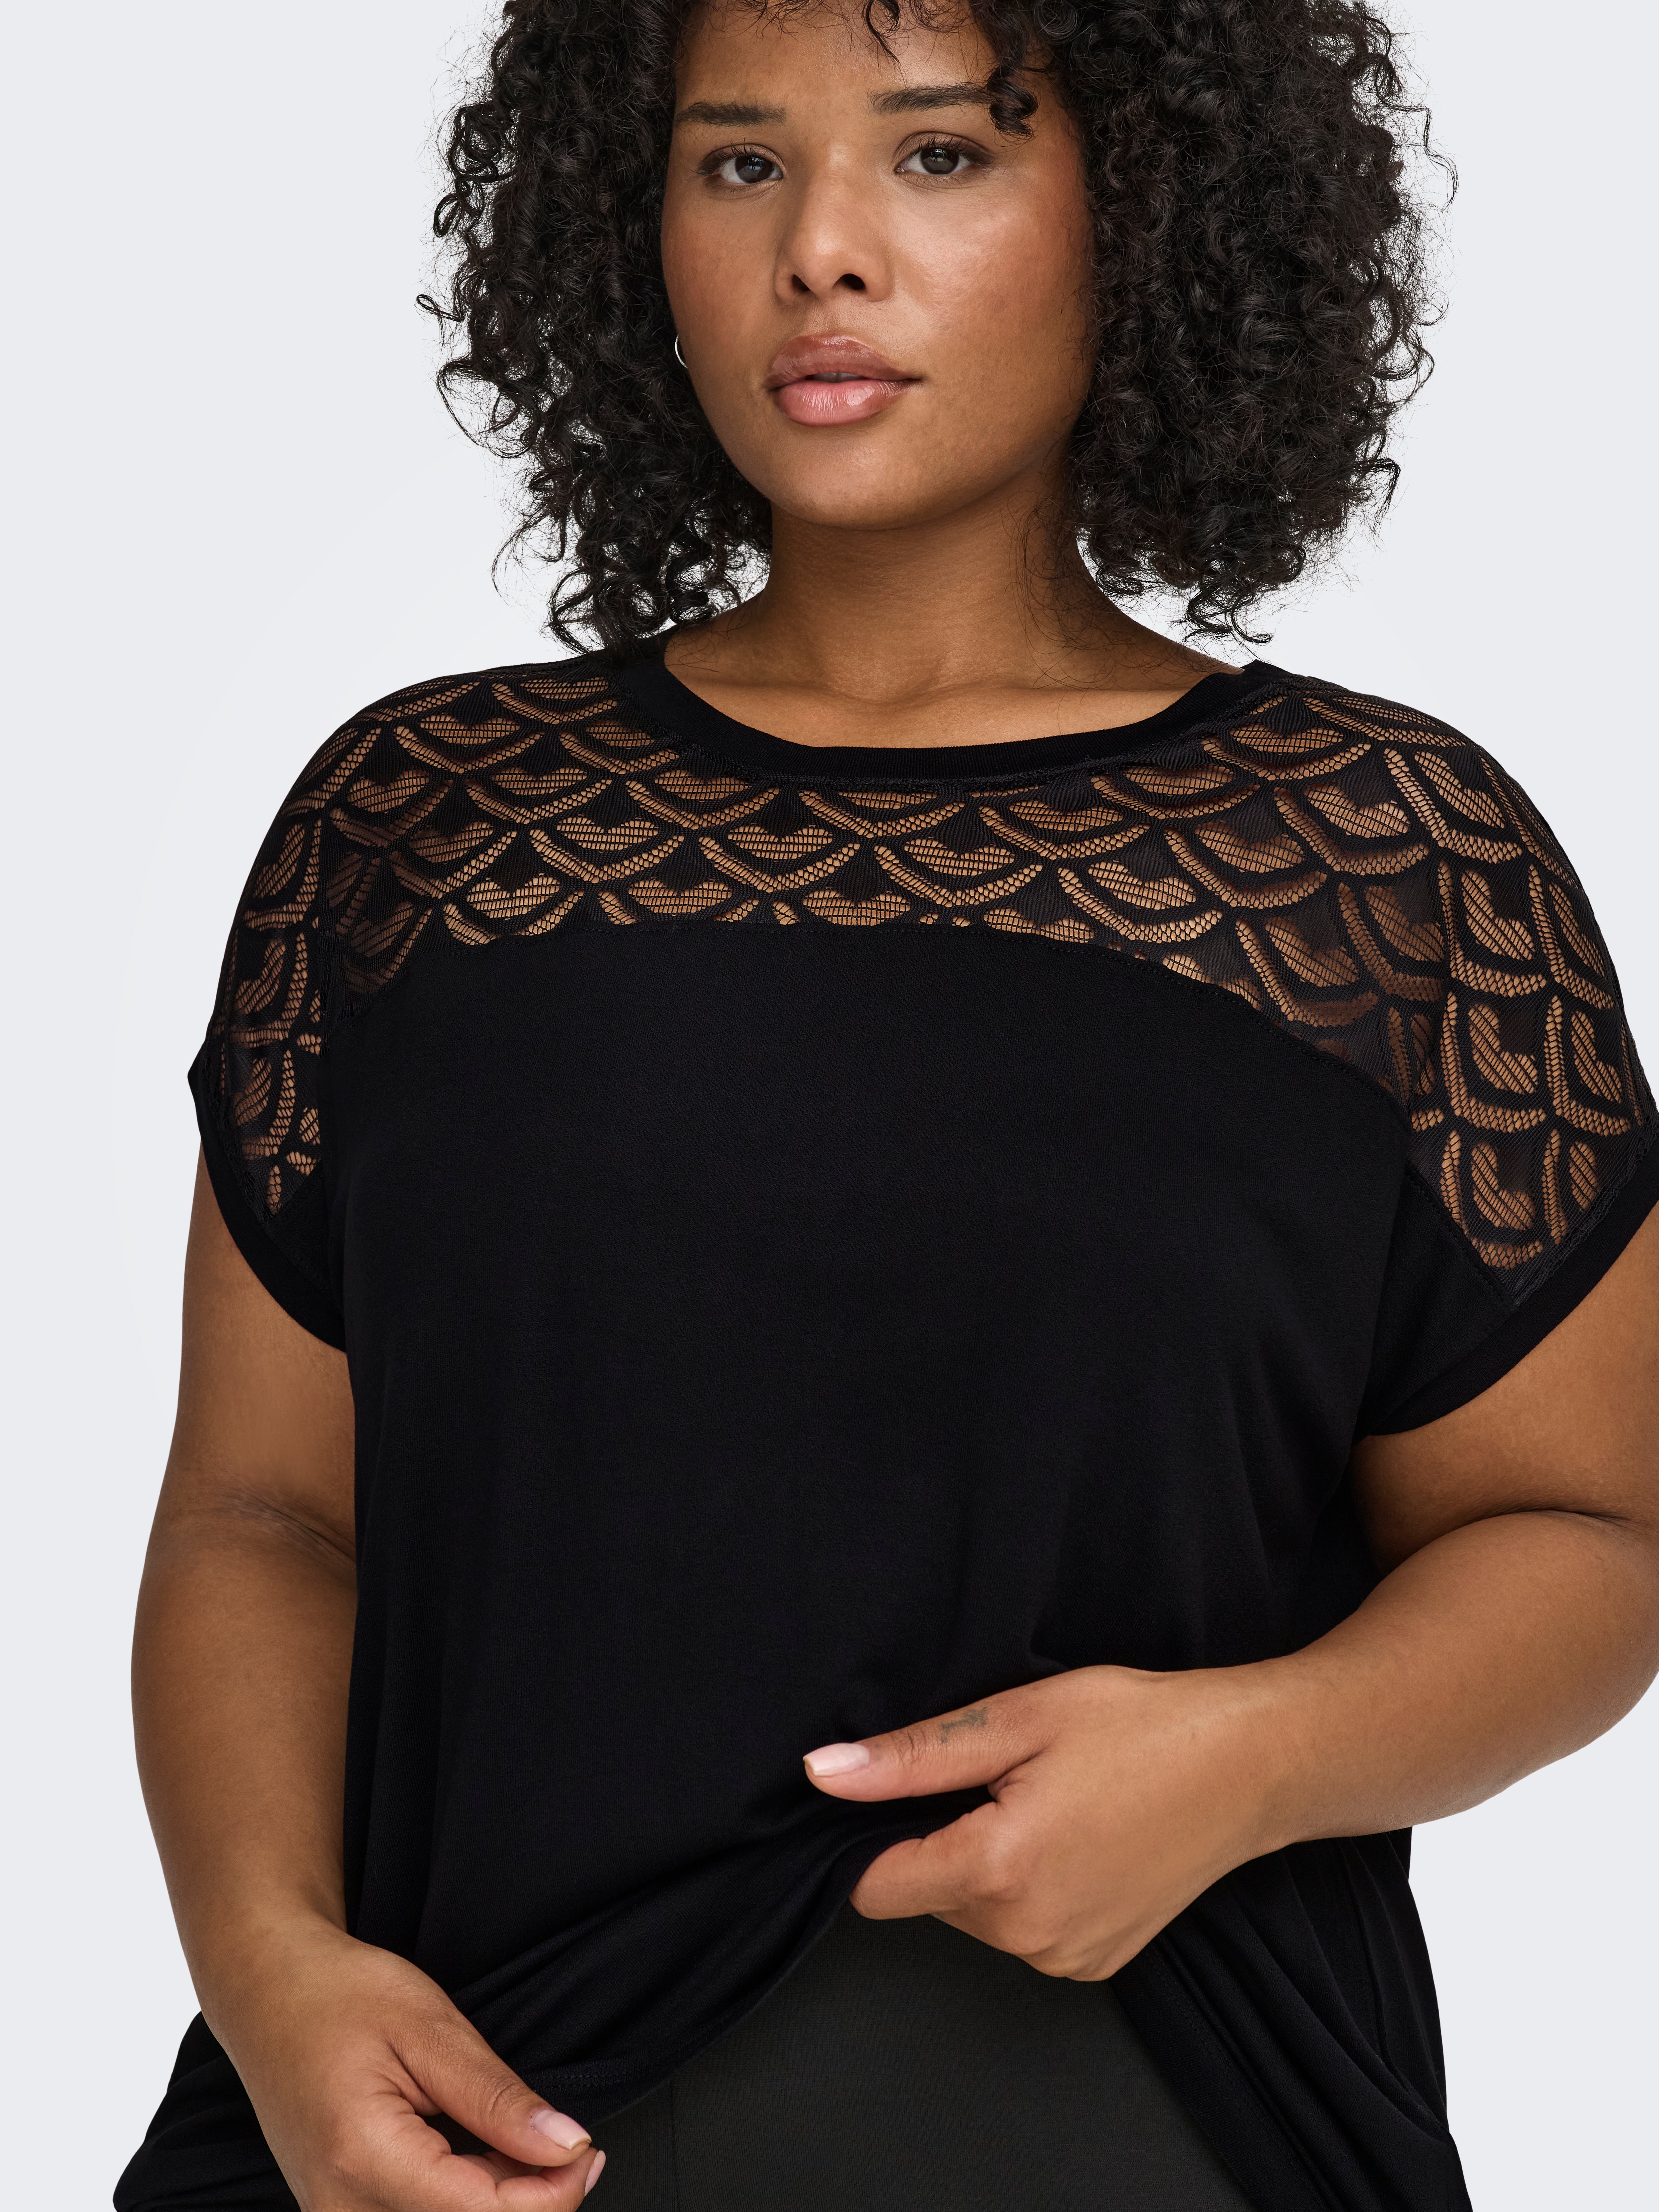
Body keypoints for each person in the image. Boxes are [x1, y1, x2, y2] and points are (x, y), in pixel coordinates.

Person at [117, 1, 1659, 2207]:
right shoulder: (419, 824)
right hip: (426, 2133)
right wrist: (271, 1977)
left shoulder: (1384, 864)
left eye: (939, 154)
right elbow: (268, 1518)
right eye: (738, 161)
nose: (818, 250)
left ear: (1150, 209)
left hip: (1138, 2118)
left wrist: (1253, 1760)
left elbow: (1589, 1541)